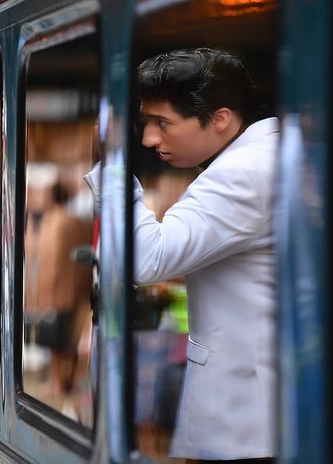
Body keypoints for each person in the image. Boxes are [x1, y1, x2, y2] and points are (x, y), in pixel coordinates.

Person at [85, 48, 277, 463]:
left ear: (220, 118)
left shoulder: (241, 173)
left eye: (163, 123)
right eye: (146, 122)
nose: (149, 138)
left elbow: (145, 258)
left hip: (244, 426)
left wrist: (113, 166)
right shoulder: (271, 155)